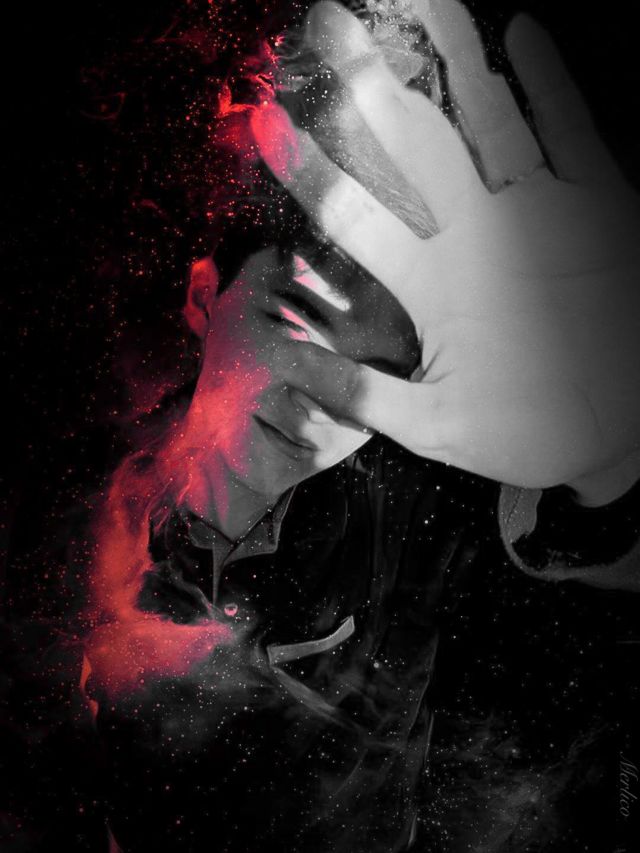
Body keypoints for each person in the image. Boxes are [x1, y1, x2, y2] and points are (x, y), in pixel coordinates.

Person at [4, 1, 639, 851]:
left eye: (384, 372)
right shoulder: (54, 505)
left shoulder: (421, 514)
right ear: (204, 297)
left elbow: (593, 603)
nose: (331, 396)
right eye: (295, 320)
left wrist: (614, 465)